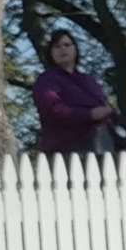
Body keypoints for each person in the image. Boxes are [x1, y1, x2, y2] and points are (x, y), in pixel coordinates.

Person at [31, 29, 118, 157]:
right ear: (51, 53)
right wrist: (90, 114)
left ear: (75, 49)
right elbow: (52, 109)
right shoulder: (47, 80)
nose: (63, 49)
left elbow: (107, 111)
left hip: (102, 142)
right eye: (57, 46)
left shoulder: (90, 81)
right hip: (66, 148)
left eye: (67, 45)